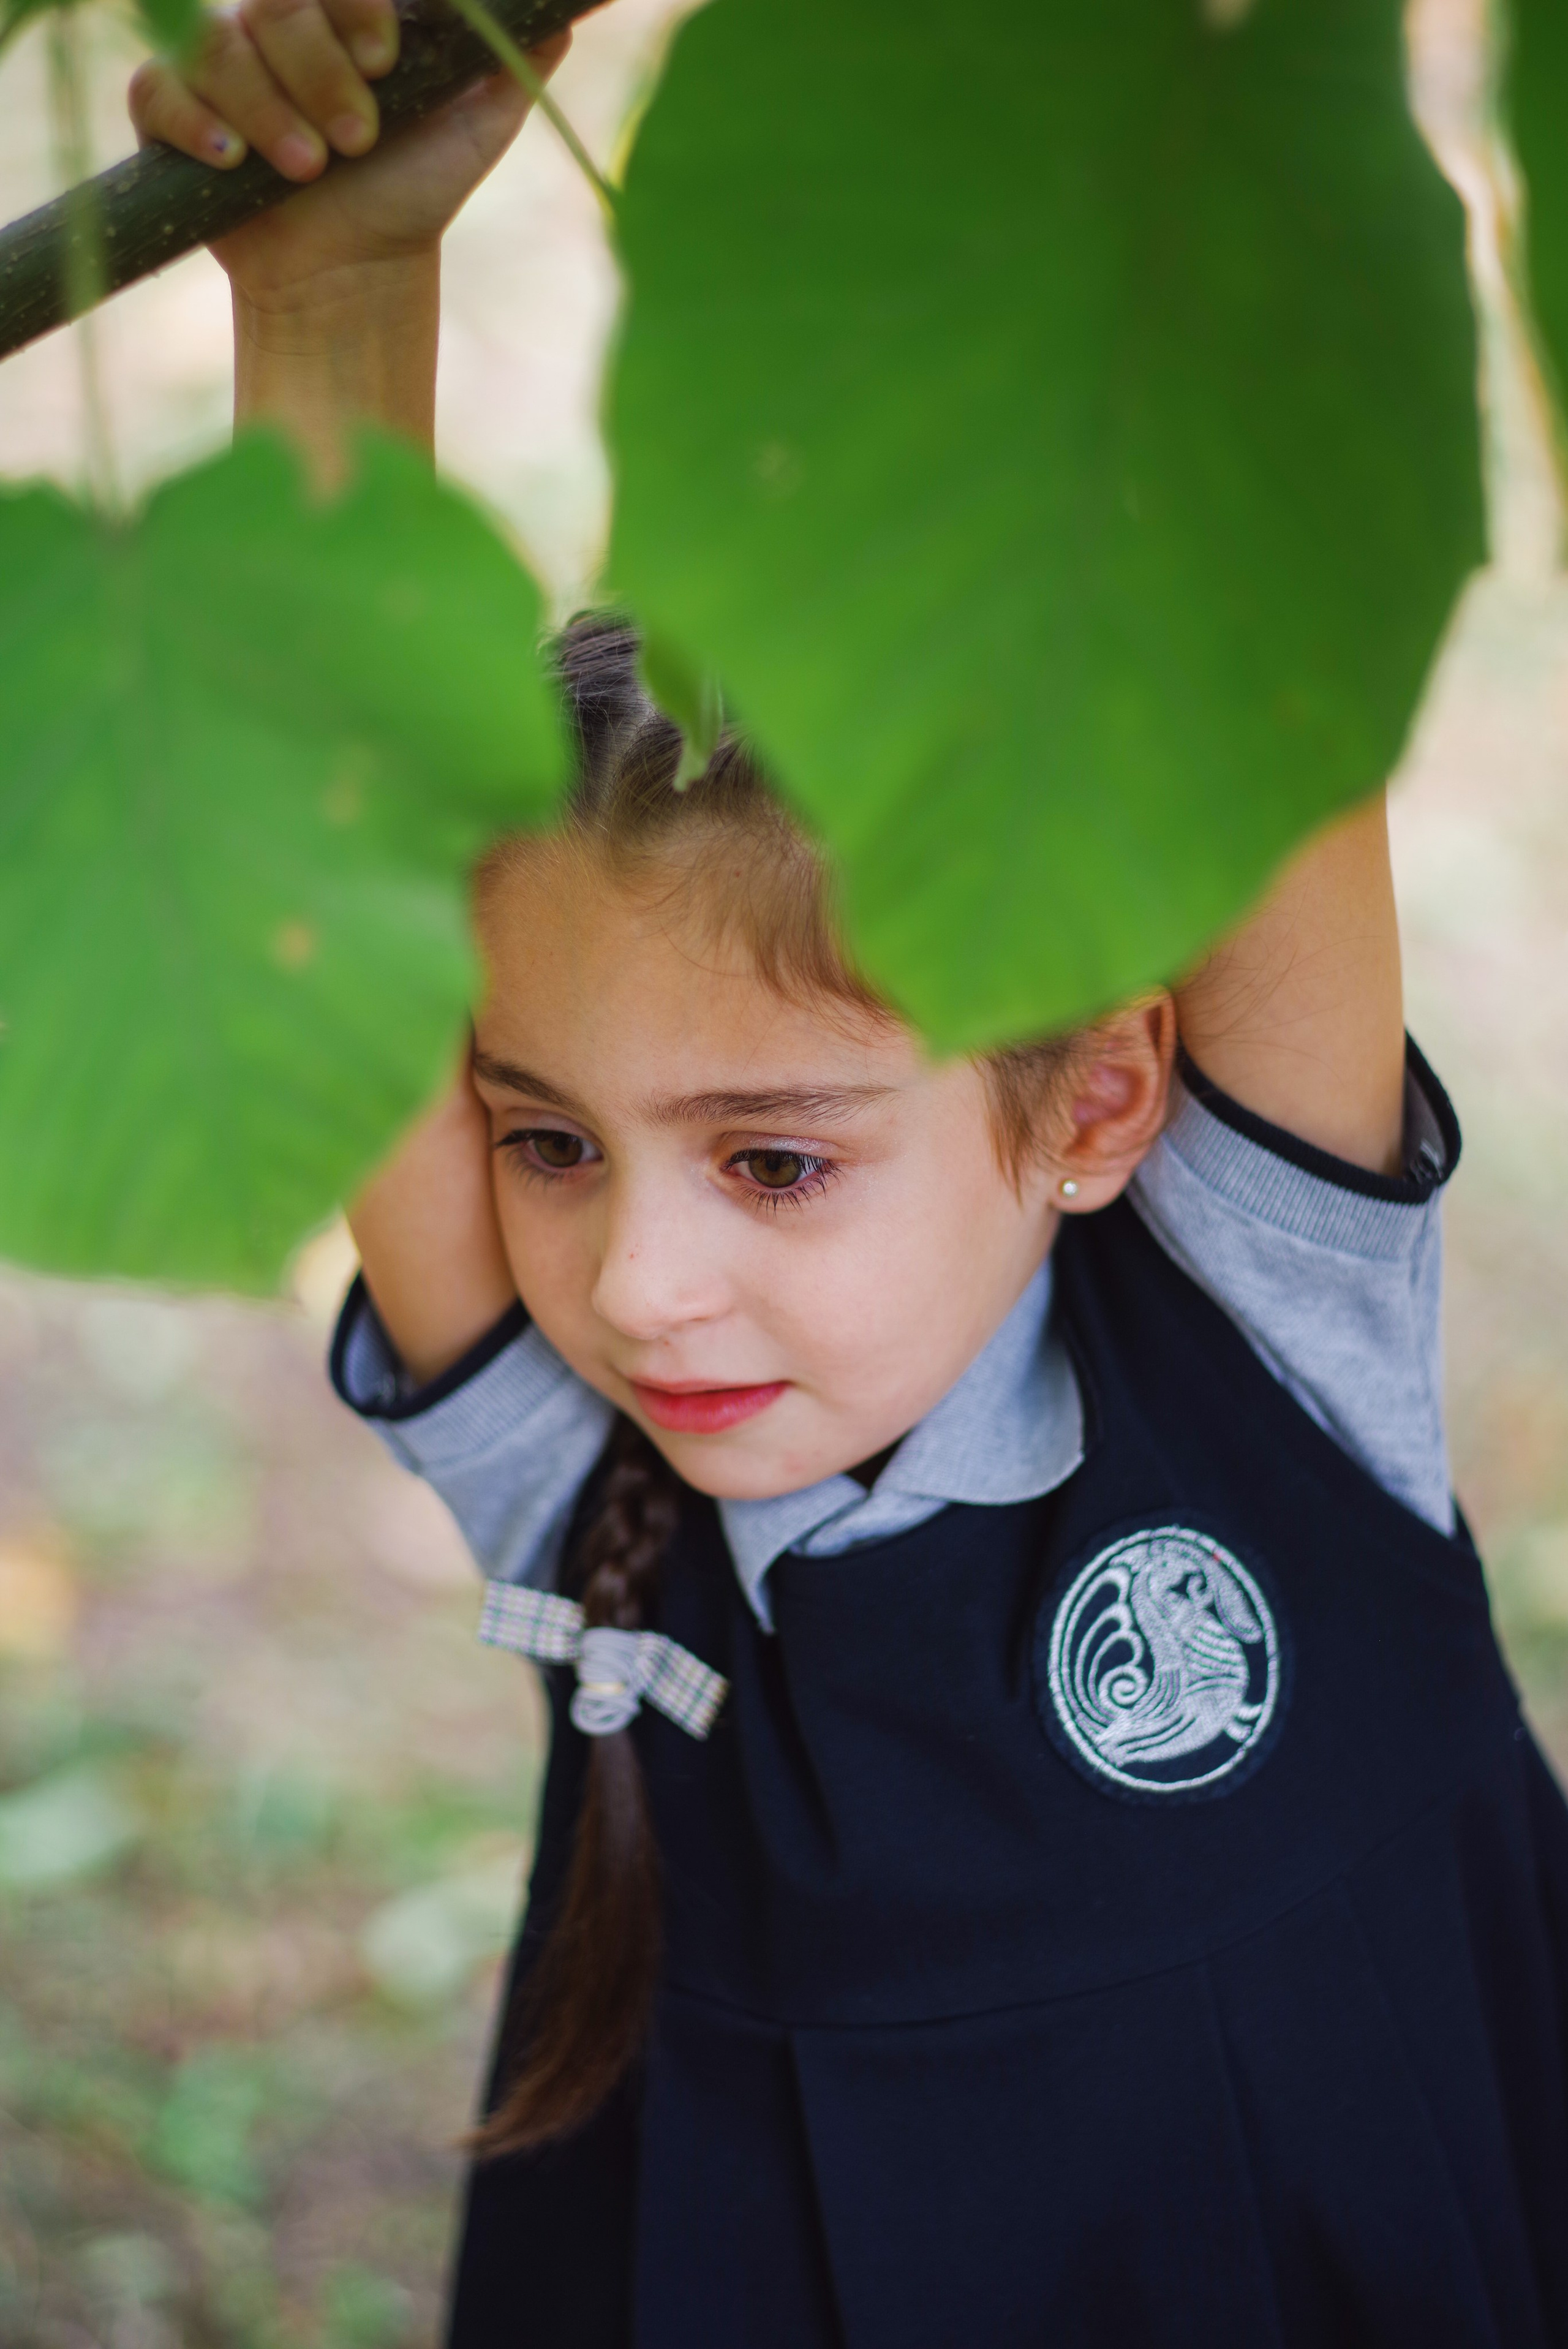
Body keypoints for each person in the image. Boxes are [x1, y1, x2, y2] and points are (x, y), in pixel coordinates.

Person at [135, 9, 1568, 2342]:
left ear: (1098, 1104)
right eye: (545, 1139)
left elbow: (1237, 598)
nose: (636, 1285)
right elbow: (331, 848)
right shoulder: (590, 1490)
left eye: (778, 1159)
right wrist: (328, 282)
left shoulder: (1268, 1320)